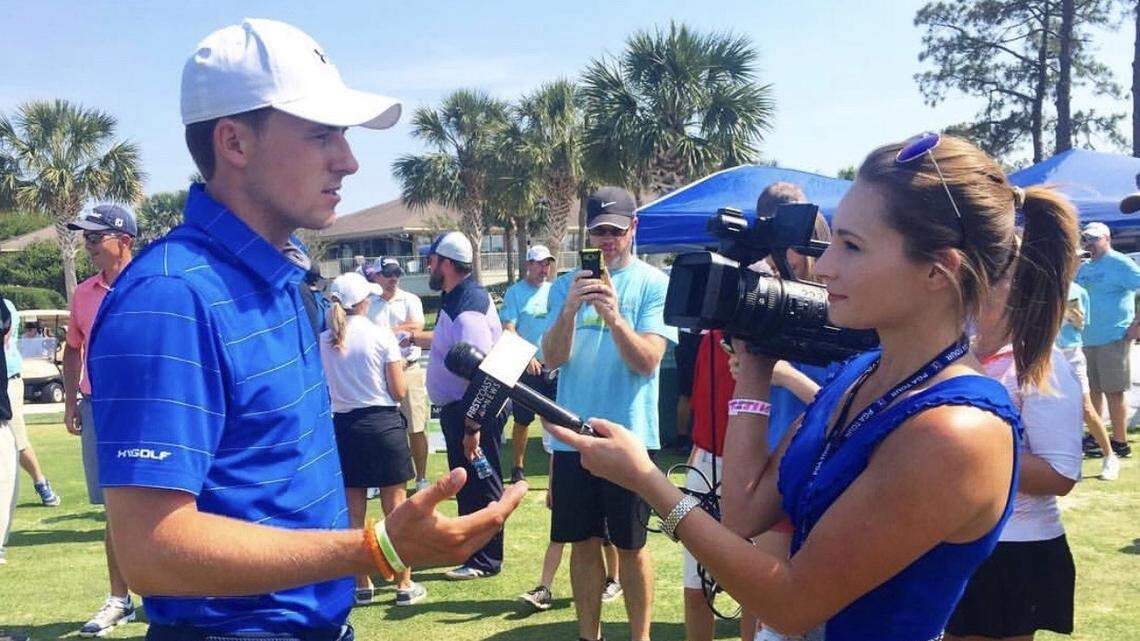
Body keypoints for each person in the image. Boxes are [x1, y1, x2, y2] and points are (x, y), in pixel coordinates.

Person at [86, 19, 524, 641]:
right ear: (234, 142)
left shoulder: (280, 279)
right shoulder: (170, 297)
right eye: (322, 134)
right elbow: (151, 551)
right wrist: (377, 550)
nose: (347, 160)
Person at [548, 133, 1078, 641]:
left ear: (939, 271)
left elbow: (793, 601)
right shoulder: (861, 376)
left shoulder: (957, 429)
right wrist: (754, 370)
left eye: (850, 246)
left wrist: (647, 480)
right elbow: (743, 514)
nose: (823, 266)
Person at [542, 186, 678, 641]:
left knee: (632, 545)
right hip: (573, 438)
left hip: (630, 438)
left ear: (632, 229)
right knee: (582, 541)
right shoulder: (565, 285)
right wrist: (568, 310)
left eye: (615, 231)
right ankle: (589, 635)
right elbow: (554, 358)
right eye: (598, 231)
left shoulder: (654, 284)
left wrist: (616, 317)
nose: (606, 241)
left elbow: (647, 362)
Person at [946, 242, 1082, 641]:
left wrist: (959, 457)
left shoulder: (1040, 364)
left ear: (1019, 288)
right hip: (952, 540)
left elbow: (1060, 475)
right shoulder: (956, 352)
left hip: (1013, 549)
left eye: (988, 274)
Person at [319, 272, 426, 607]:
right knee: (396, 510)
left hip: (345, 427)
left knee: (354, 513)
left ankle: (362, 582)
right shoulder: (381, 336)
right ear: (363, 302)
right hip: (382, 425)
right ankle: (404, 584)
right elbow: (398, 390)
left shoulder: (323, 339)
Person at [62, 204, 138, 637]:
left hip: (150, 407)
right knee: (115, 505)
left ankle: (176, 591)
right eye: (85, 238)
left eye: (94, 238)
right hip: (99, 407)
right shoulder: (82, 294)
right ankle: (120, 599)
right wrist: (71, 401)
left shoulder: (155, 284)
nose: (87, 246)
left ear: (123, 240)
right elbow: (74, 348)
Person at [414, 230, 508, 580]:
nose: (428, 264)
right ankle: (474, 553)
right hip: (463, 411)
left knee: (483, 484)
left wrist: (473, 427)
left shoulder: (467, 308)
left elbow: (482, 374)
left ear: (447, 264)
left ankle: (485, 560)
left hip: (473, 412)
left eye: (432, 259)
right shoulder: (456, 298)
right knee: (470, 484)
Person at [365, 257, 431, 492]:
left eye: (397, 273)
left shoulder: (410, 299)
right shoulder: (369, 303)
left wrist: (384, 333)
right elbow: (365, 334)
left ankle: (421, 478)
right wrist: (398, 330)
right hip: (378, 374)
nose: (394, 278)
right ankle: (377, 480)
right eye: (389, 273)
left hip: (409, 368)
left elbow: (417, 328)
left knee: (416, 427)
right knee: (379, 429)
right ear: (376, 276)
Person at [1074, 221, 1139, 459]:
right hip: (1086, 338)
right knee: (1092, 391)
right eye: (1087, 238)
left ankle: (1120, 442)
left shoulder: (1120, 263)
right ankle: (1096, 437)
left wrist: (1137, 326)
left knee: (1114, 392)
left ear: (1107, 238)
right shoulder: (1084, 267)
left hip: (1113, 336)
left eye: (1094, 238)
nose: (1090, 242)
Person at [499, 244, 558, 483]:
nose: (544, 269)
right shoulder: (515, 293)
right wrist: (527, 357)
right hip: (526, 368)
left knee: (557, 421)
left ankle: (558, 469)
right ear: (529, 265)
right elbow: (508, 329)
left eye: (548, 264)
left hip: (553, 366)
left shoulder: (555, 291)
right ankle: (518, 468)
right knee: (523, 420)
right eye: (540, 264)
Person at [1057, 277, 1119, 480]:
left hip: (1071, 352)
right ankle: (1072, 461)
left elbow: (1082, 325)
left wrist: (1074, 317)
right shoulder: (1041, 285)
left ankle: (1110, 456)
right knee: (1053, 408)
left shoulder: (1078, 290)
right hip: (1047, 353)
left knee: (1086, 408)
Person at [3, 299, 61, 507]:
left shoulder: (5, 306)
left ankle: (41, 482)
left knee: (17, 439)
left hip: (7, 381)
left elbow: (5, 339)